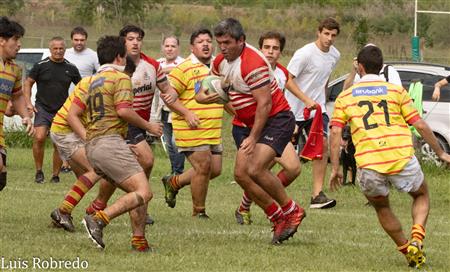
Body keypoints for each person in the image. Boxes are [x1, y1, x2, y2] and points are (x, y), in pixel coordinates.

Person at [328, 45, 450, 268]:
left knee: (382, 207)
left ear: (360, 67)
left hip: (369, 163)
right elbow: (420, 124)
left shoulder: (345, 97)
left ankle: (407, 250)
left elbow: (336, 131)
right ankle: (417, 239)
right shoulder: (396, 91)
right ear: (382, 67)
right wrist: (441, 152)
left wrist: (335, 168)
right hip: (401, 157)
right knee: (421, 194)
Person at [197, 18, 305, 244]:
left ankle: (292, 210)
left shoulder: (252, 64)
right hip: (249, 123)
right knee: (241, 174)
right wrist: (206, 96)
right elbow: (203, 89)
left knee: (256, 168)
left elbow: (265, 104)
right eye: (220, 43)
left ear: (241, 40)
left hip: (277, 119)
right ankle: (276, 217)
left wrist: (254, 138)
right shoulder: (220, 61)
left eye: (227, 42)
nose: (223, 47)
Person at [84, 25, 194, 225]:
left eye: (138, 39)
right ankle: (134, 205)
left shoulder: (151, 65)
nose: (135, 42)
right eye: (130, 38)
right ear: (122, 43)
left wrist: (185, 111)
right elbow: (122, 110)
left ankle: (104, 204)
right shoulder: (116, 69)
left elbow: (168, 92)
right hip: (122, 125)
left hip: (138, 125)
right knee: (147, 159)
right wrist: (150, 126)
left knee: (120, 170)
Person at [68, 35, 163, 251]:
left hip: (94, 147)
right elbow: (124, 111)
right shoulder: (121, 78)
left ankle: (139, 241)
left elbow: (72, 115)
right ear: (120, 57)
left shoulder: (89, 81)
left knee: (137, 192)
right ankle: (99, 218)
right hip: (108, 144)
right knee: (144, 192)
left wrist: (91, 138)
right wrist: (149, 127)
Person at [49, 57, 137, 233]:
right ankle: (63, 211)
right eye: (127, 77)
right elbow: (71, 117)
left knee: (107, 169)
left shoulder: (105, 84)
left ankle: (91, 210)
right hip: (66, 131)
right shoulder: (93, 83)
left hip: (82, 132)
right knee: (95, 170)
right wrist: (90, 142)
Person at [233, 31, 301, 225]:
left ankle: (248, 205)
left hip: (272, 125)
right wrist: (242, 115)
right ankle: (276, 209)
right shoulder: (246, 67)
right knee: (253, 171)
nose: (270, 52)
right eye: (267, 47)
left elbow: (280, 101)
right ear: (259, 48)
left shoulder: (281, 73)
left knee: (293, 168)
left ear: (281, 52)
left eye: (275, 48)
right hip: (247, 128)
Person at [161, 28, 223, 218]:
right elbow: (168, 97)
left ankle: (174, 182)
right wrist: (187, 113)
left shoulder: (217, 67)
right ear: (192, 47)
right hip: (191, 128)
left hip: (213, 129)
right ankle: (199, 212)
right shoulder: (184, 68)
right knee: (203, 167)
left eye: (208, 41)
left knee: (215, 169)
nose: (205, 44)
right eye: (200, 41)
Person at [284, 17, 340, 209]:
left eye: (333, 35)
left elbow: (324, 79)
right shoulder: (305, 53)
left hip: (317, 109)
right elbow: (288, 80)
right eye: (326, 34)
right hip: (294, 110)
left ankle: (317, 194)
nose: (329, 38)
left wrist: (320, 101)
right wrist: (306, 100)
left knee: (323, 145)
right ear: (319, 32)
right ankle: (256, 180)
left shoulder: (335, 55)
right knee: (277, 152)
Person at [23, 36, 81, 184]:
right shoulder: (40, 65)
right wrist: (28, 103)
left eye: (61, 48)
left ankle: (55, 175)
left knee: (58, 143)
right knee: (40, 137)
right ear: (50, 49)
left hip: (61, 111)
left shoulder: (71, 68)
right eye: (55, 48)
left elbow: (81, 88)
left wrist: (76, 107)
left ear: (65, 49)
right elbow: (28, 83)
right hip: (42, 107)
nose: (58, 51)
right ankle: (39, 171)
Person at [0, 17, 34, 191]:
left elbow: (18, 96)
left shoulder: (14, 68)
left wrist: (25, 116)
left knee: (1, 176)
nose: (19, 44)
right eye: (16, 39)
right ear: (2, 40)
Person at [61, 26, 100, 173]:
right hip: (66, 98)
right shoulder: (65, 53)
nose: (79, 42)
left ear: (86, 40)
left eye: (82, 40)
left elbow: (100, 72)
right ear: (71, 40)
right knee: (64, 130)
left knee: (82, 130)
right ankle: (66, 162)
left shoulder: (93, 55)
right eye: (76, 40)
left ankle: (84, 160)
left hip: (85, 99)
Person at [151, 35, 186, 175]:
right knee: (168, 144)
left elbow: (175, 70)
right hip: (162, 110)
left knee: (176, 142)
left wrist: (161, 71)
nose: (170, 49)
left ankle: (178, 172)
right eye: (167, 46)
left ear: (178, 48)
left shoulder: (184, 63)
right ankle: (174, 171)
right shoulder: (158, 63)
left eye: (173, 46)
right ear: (162, 47)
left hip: (178, 110)